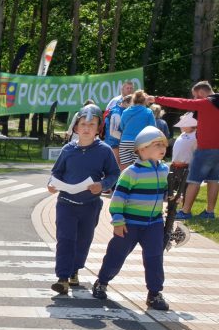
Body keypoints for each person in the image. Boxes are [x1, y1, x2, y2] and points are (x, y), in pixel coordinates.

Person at [91, 126, 171, 311]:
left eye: (164, 145)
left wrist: (172, 197)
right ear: (142, 149)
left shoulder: (164, 170)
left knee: (154, 258)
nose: (163, 148)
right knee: (116, 255)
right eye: (157, 145)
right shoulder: (131, 172)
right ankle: (102, 281)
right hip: (129, 224)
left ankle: (154, 293)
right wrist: (118, 221)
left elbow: (164, 192)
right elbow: (118, 198)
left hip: (154, 224)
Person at [46, 105, 119, 294]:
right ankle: (62, 278)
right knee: (65, 239)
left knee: (83, 240)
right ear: (76, 127)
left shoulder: (104, 150)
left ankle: (75, 270)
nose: (87, 128)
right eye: (83, 124)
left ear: (98, 128)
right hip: (66, 204)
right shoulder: (68, 149)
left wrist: (102, 185)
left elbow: (114, 174)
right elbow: (56, 172)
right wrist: (51, 184)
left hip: (90, 205)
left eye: (92, 124)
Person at [154, 81, 219, 221]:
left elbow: (181, 102)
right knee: (214, 180)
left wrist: (156, 99)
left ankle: (185, 211)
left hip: (205, 150)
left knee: (194, 180)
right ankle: (210, 212)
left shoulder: (205, 103)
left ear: (201, 93)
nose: (194, 99)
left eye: (195, 96)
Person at [118, 90, 155, 168]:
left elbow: (121, 126)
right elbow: (153, 128)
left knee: (125, 168)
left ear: (133, 100)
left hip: (125, 142)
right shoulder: (148, 112)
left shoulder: (125, 111)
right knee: (139, 167)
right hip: (140, 143)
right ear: (145, 101)